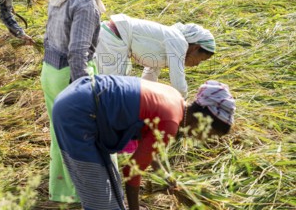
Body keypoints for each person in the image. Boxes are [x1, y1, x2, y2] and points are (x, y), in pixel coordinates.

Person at [52, 76, 235, 210]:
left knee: (114, 190)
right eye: (210, 133)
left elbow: (148, 152)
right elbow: (131, 172)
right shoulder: (170, 123)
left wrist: (168, 178)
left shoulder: (175, 99)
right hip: (78, 114)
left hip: (81, 97)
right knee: (100, 199)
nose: (205, 139)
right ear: (203, 119)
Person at [40, 0, 111, 203]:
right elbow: (78, 51)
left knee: (58, 131)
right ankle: (78, 191)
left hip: (50, 71)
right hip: (71, 76)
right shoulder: (85, 3)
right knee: (81, 136)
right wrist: (82, 88)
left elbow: (48, 35)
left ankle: (59, 188)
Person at [95, 15, 216, 98]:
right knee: (110, 90)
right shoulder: (178, 41)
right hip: (113, 38)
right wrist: (183, 106)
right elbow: (178, 82)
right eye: (201, 59)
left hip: (111, 35)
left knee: (107, 88)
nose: (197, 64)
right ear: (195, 48)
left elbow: (149, 77)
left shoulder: (168, 43)